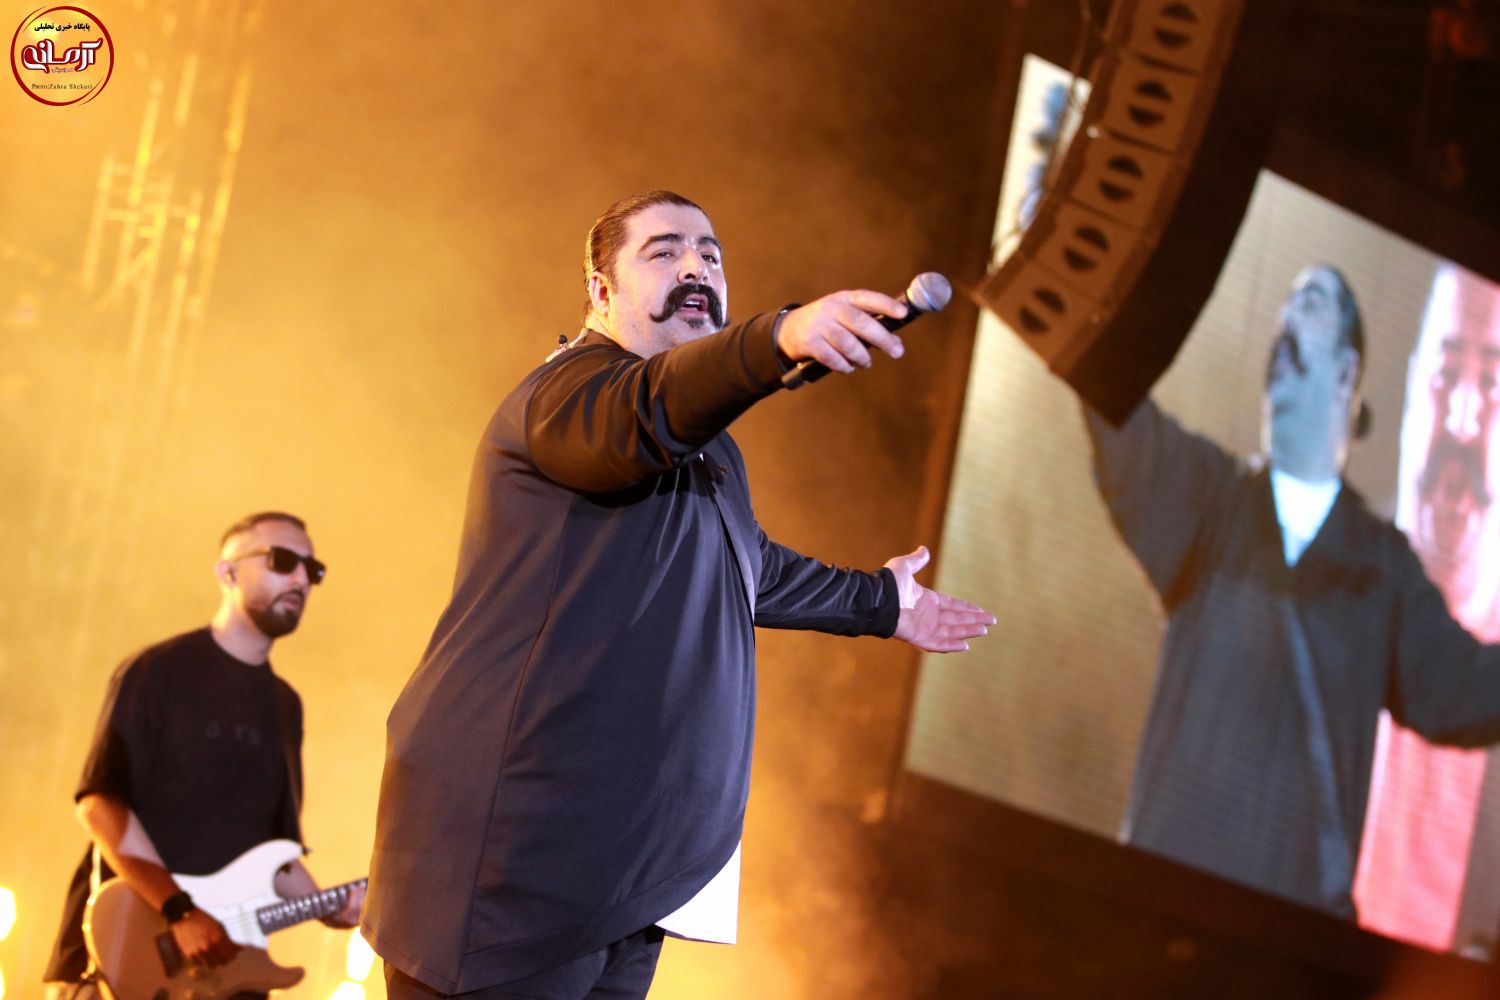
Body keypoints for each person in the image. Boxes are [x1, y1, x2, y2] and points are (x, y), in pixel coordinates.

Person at [363, 190, 995, 999]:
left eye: (711, 255)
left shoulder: (708, 449)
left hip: (623, 875)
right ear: (600, 290)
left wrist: (883, 602)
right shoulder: (568, 395)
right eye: (663, 252)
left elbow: (747, 563)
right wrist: (774, 338)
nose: (696, 267)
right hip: (515, 865)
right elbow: (644, 412)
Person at [1084, 263, 1500, 919]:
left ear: (1346, 372)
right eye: (1284, 307)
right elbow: (1120, 421)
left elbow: (1464, 689)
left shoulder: (1383, 568)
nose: (1285, 319)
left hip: (1287, 939)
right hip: (1156, 907)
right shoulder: (1211, 501)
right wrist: (1080, 285)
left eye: (1309, 303)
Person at [42, 511, 364, 1000]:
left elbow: (277, 855)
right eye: (282, 561)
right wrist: (180, 911)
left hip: (224, 973)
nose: (301, 578)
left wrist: (330, 906)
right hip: (120, 953)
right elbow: (99, 805)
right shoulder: (158, 671)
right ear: (227, 572)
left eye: (312, 570)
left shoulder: (284, 706)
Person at [1355, 263, 1500, 953]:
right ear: (1413, 391)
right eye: (1446, 375)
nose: (1464, 420)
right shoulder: (1325, 592)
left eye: (1495, 385)